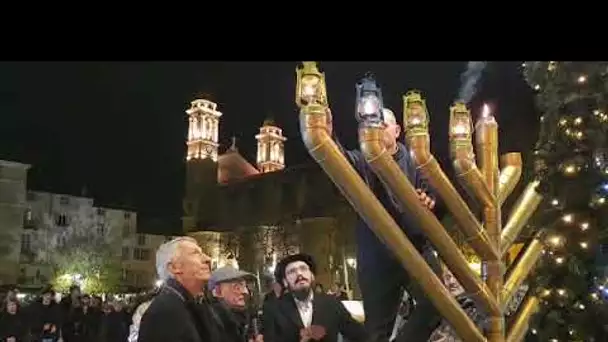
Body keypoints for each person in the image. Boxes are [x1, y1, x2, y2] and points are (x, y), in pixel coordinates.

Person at [328, 106, 443, 341]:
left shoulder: (417, 161)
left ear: (398, 130)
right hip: (377, 257)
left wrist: (430, 201)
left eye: (382, 125)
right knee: (376, 332)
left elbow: (436, 194)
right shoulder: (361, 161)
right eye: (370, 126)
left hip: (416, 249)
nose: (376, 130)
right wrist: (327, 135)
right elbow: (339, 161)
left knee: (439, 304)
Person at [262, 253, 368, 342]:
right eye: (292, 271)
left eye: (303, 269)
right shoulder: (273, 309)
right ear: (285, 282)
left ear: (312, 276)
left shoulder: (331, 304)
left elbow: (360, 336)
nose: (299, 274)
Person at [137, 236, 218, 342]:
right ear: (175, 268)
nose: (208, 259)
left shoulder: (191, 304)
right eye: (196, 253)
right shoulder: (165, 313)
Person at [208, 265, 263, 342]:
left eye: (244, 286)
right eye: (236, 287)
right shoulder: (209, 323)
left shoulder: (248, 319)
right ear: (218, 291)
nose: (245, 292)